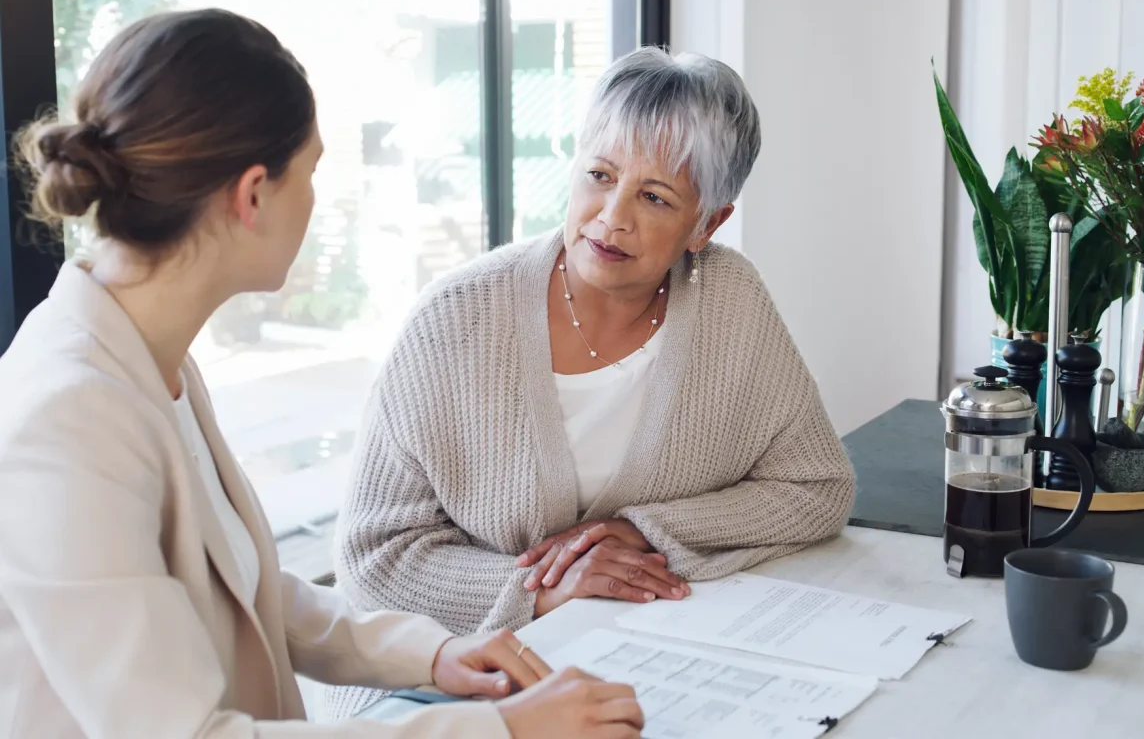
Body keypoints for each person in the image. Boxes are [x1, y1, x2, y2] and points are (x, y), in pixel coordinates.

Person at [0, 9, 643, 739]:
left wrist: (435, 655)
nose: (314, 197)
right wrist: (505, 730)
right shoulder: (67, 418)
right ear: (251, 195)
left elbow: (247, 588)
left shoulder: (148, 353)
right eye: (310, 171)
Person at [328, 47, 856, 719]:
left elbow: (816, 487)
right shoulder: (455, 319)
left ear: (707, 223)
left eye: (655, 196)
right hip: (439, 686)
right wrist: (543, 591)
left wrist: (644, 530)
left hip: (640, 662)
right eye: (599, 175)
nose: (612, 216)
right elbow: (371, 562)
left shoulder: (732, 301)